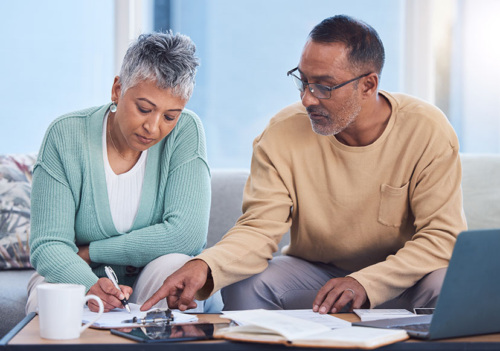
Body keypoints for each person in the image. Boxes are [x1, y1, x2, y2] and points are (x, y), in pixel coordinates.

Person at [142, 15, 466, 314]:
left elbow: (442, 236)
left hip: (405, 275)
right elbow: (259, 229)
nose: (308, 98)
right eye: (303, 80)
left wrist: (367, 282)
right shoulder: (281, 133)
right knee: (246, 284)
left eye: (324, 86)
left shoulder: (427, 129)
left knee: (448, 284)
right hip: (316, 273)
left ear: (368, 85)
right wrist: (205, 266)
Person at [26, 31, 222, 313]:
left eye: (170, 116)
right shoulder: (66, 135)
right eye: (144, 109)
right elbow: (49, 244)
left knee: (180, 271)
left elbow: (186, 236)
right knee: (54, 298)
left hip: (147, 274)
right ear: (117, 89)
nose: (153, 128)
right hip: (76, 270)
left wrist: (93, 252)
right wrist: (89, 283)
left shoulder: (186, 130)